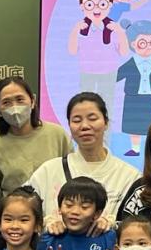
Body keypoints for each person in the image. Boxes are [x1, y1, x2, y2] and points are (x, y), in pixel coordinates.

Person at [27, 92, 138, 221]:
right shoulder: (48, 171)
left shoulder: (129, 176)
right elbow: (20, 208)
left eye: (92, 119)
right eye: (76, 120)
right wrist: (47, 223)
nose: (84, 126)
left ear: (106, 122)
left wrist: (112, 224)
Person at [0, 78, 72, 196]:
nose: (15, 108)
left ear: (32, 101)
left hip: (56, 206)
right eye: (6, 103)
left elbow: (72, 176)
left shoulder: (58, 135)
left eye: (20, 99)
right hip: (14, 207)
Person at [68, 0, 129, 101]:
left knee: (107, 102)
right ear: (82, 6)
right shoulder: (81, 28)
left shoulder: (113, 28)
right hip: (86, 72)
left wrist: (120, 32)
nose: (96, 9)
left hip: (108, 72)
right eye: (90, 4)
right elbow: (72, 51)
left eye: (102, 4)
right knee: (85, 102)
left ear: (110, 5)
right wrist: (75, 31)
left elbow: (124, 52)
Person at [115, 21, 151, 157]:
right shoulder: (131, 63)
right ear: (132, 44)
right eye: (143, 43)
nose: (149, 47)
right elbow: (116, 76)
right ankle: (135, 148)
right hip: (133, 99)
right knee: (134, 127)